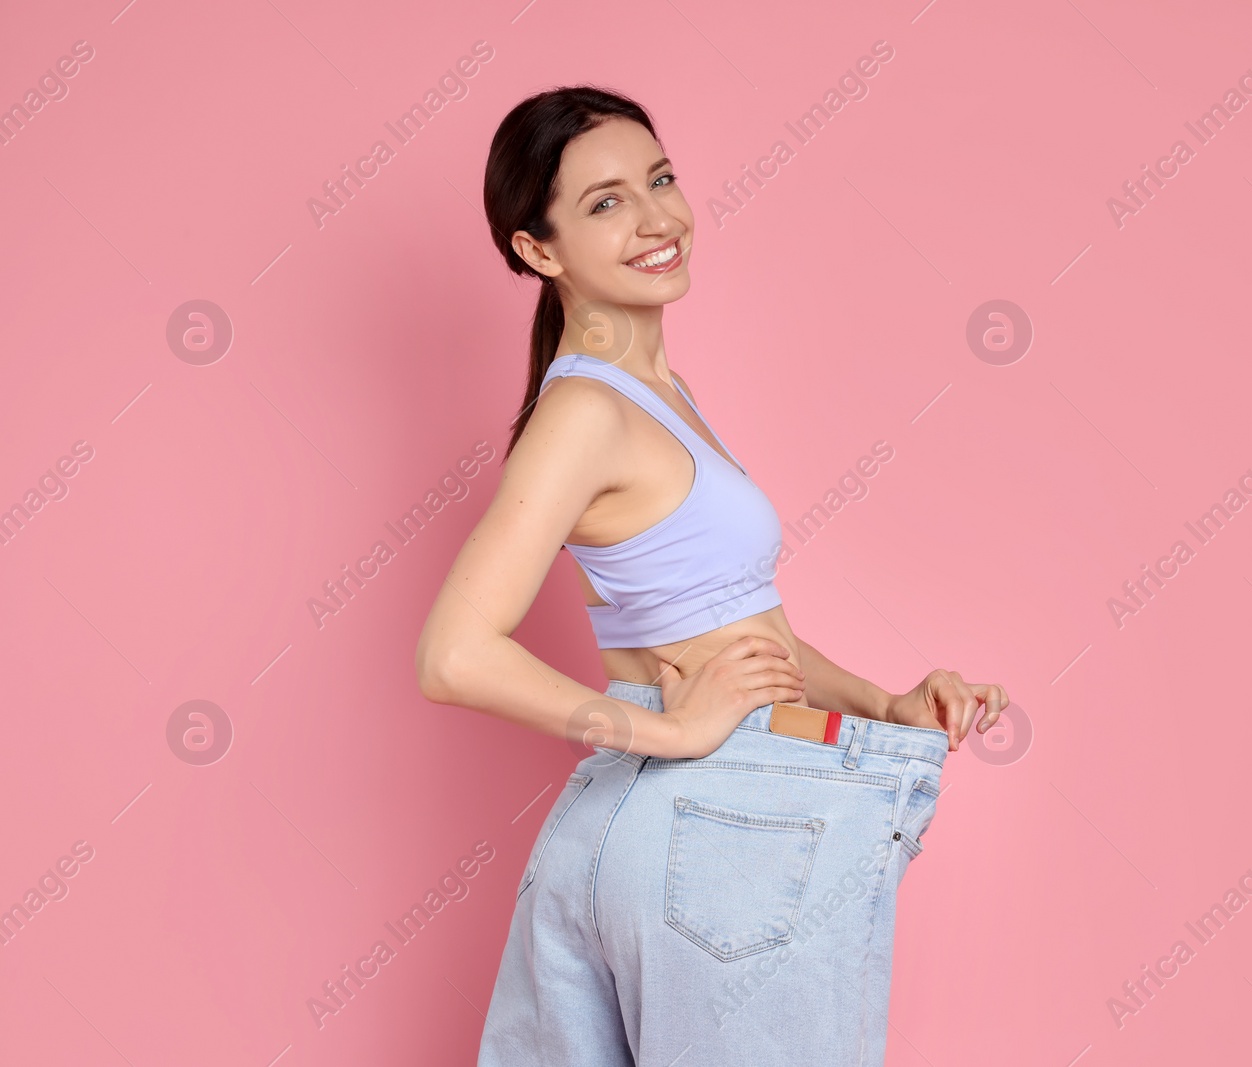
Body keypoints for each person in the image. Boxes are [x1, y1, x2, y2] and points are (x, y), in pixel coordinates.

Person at [415, 84, 1008, 1066]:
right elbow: (452, 654)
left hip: (679, 821)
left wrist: (881, 701)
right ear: (538, 250)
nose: (656, 218)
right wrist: (671, 729)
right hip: (713, 826)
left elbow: (733, 626)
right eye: (604, 202)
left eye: (659, 179)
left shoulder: (654, 394)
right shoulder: (587, 413)